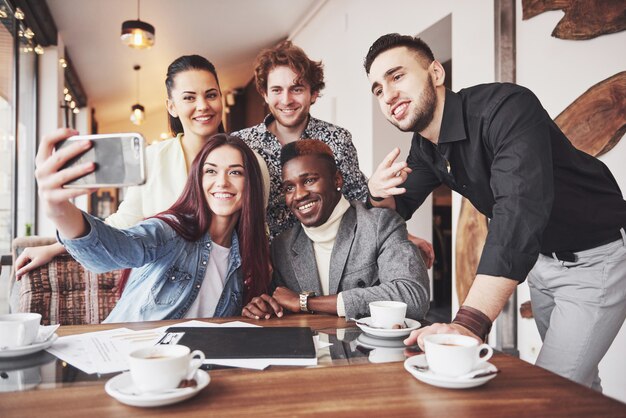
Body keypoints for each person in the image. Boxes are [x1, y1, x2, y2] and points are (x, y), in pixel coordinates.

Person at [364, 33, 626, 390]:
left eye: (397, 76)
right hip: (542, 263)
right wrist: (376, 192)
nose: (388, 94)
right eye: (378, 89)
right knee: (578, 386)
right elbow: (399, 206)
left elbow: (518, 212)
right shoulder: (425, 148)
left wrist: (468, 323)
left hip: (597, 257)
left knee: (550, 389)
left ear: (436, 74)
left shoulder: (507, 107)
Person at [14, 55, 269, 278]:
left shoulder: (251, 163)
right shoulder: (151, 159)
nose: (203, 106)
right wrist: (56, 245)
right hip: (162, 289)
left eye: (211, 95)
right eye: (189, 97)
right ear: (171, 106)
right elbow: (124, 225)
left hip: (226, 286)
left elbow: (257, 232)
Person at [36, 131, 270, 322]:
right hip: (126, 359)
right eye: (210, 171)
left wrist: (256, 307)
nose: (222, 182)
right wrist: (57, 208)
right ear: (197, 180)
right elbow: (111, 250)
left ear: (250, 183)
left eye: (235, 172)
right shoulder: (171, 230)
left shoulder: (248, 257)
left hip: (190, 369)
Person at [242, 140, 430, 321]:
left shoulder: (380, 224)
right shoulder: (282, 246)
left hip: (370, 351)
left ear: (337, 179)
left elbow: (413, 297)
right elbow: (283, 304)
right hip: (309, 351)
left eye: (309, 180)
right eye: (289, 187)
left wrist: (306, 302)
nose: (298, 195)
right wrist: (266, 307)